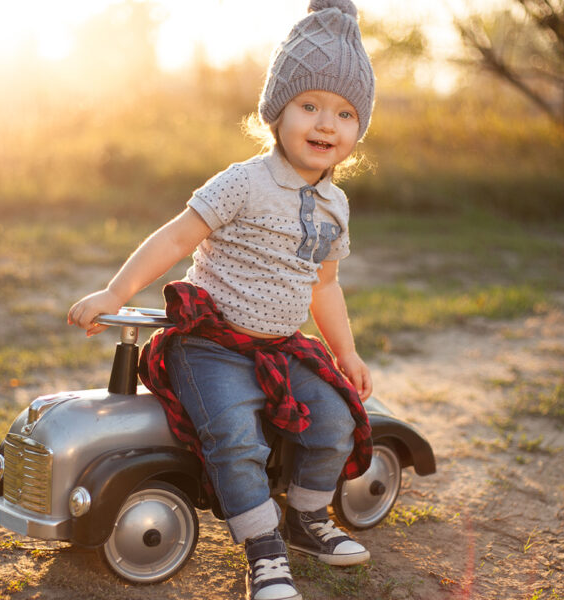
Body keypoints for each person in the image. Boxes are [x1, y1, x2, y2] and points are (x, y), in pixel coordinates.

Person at [67, 1, 376, 598]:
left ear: (358, 129)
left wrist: (346, 354)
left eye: (343, 112)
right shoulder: (244, 181)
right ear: (275, 113)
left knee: (336, 418)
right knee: (236, 438)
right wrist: (115, 290)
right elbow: (178, 237)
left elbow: (326, 284)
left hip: (282, 348)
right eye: (308, 104)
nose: (325, 123)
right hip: (211, 347)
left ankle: (306, 519)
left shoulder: (336, 206)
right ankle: (262, 552)